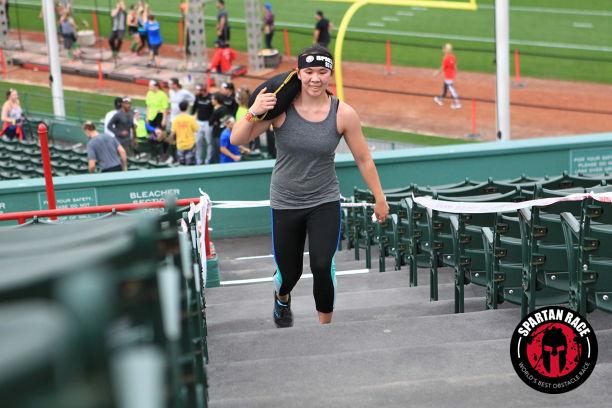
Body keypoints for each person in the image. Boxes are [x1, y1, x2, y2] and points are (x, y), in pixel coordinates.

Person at [231, 44, 389, 327]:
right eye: (309, 72)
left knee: (321, 266)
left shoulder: (343, 114)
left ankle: (323, 332)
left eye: (322, 72)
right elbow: (237, 140)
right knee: (289, 274)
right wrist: (253, 111)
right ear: (298, 74)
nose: (315, 78)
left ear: (330, 74)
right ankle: (282, 297)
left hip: (324, 200)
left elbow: (364, 158)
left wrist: (380, 197)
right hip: (285, 202)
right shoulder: (280, 109)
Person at [433, 43, 461, 109]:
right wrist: (455, 72)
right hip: (451, 76)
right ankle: (440, 99)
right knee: (445, 88)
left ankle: (457, 103)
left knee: (451, 89)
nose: (443, 49)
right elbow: (455, 66)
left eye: (444, 48)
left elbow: (442, 68)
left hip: (448, 77)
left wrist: (436, 73)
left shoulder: (445, 58)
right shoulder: (453, 56)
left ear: (446, 50)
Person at [191, 84, 214, 165]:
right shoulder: (197, 97)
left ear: (203, 90)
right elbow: (193, 110)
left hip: (208, 122)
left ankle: (208, 160)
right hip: (199, 122)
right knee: (198, 141)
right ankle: (199, 160)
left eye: (198, 90)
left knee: (209, 142)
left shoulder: (211, 97)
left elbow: (214, 109)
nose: (196, 92)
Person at [171, 100, 198, 165]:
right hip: (190, 144)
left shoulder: (176, 119)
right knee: (190, 164)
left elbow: (173, 132)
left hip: (180, 145)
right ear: (187, 107)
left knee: (181, 164)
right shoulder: (191, 118)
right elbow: (196, 129)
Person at [208, 92, 229, 164]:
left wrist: (215, 122)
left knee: (218, 150)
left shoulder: (218, 110)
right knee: (216, 149)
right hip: (219, 132)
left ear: (217, 100)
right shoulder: (224, 108)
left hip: (218, 133)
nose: (211, 100)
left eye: (213, 99)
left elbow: (210, 122)